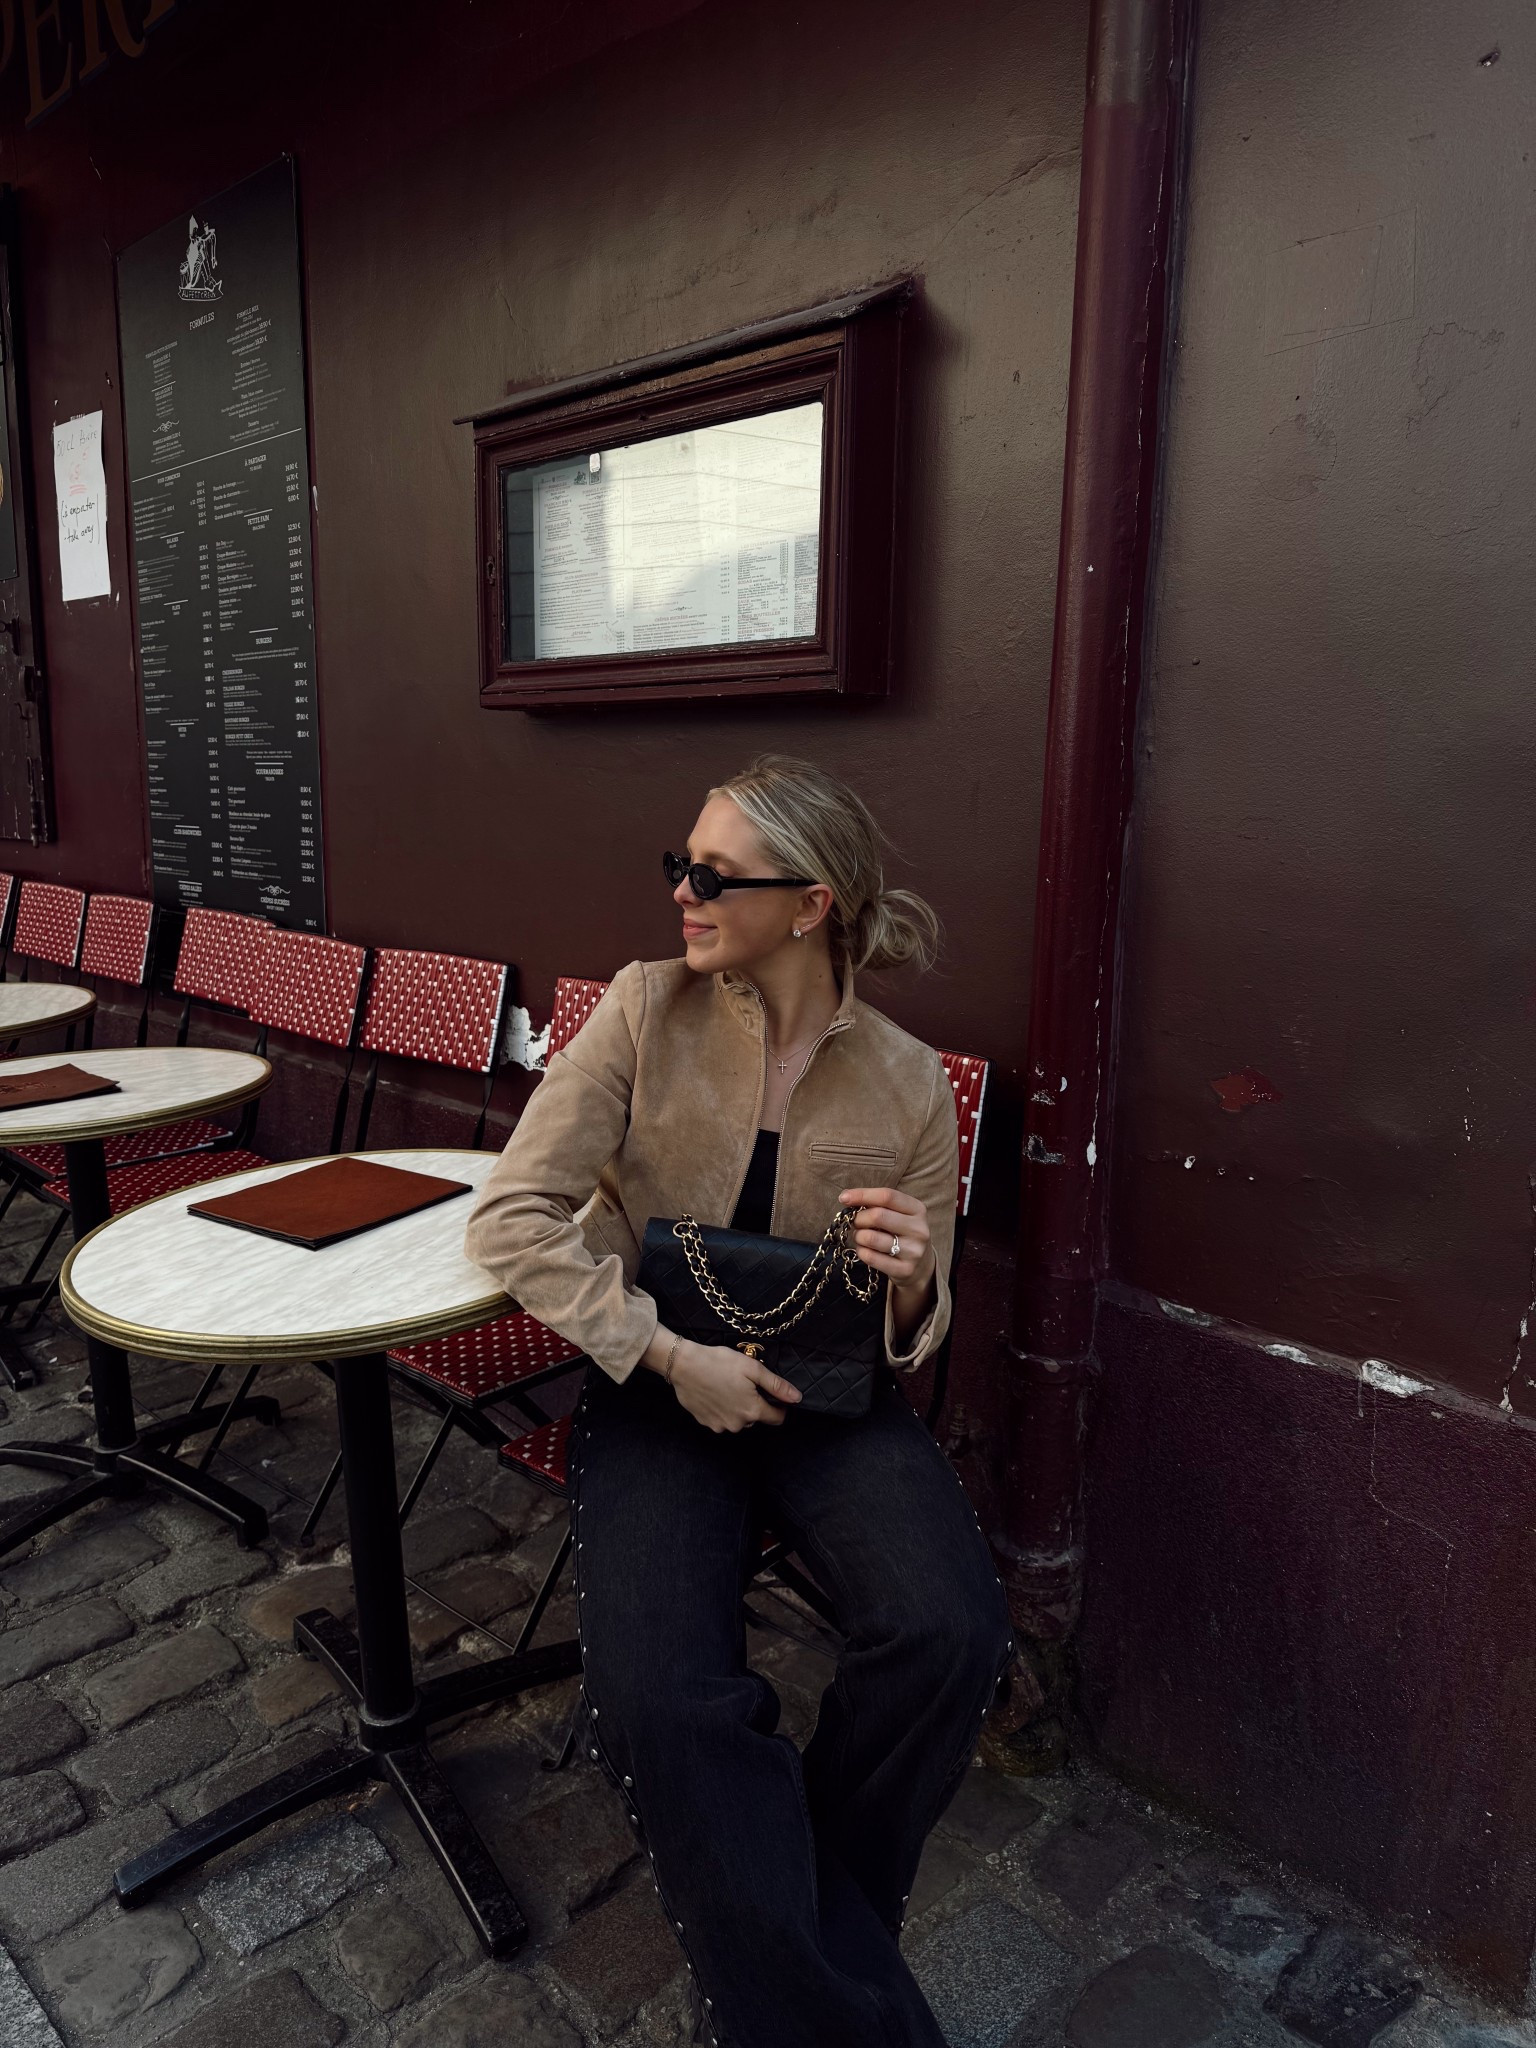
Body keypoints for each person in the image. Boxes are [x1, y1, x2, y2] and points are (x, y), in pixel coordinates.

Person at [465, 754, 1013, 2047]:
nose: (684, 893)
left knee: (950, 1634)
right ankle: (834, 2005)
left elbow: (917, 1332)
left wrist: (911, 1281)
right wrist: (666, 1357)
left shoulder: (909, 1081)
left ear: (812, 904)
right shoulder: (642, 1010)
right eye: (683, 864)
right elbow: (512, 1217)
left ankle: (783, 1917)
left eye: (715, 875)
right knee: (659, 1700)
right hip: (659, 1384)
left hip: (830, 1397)